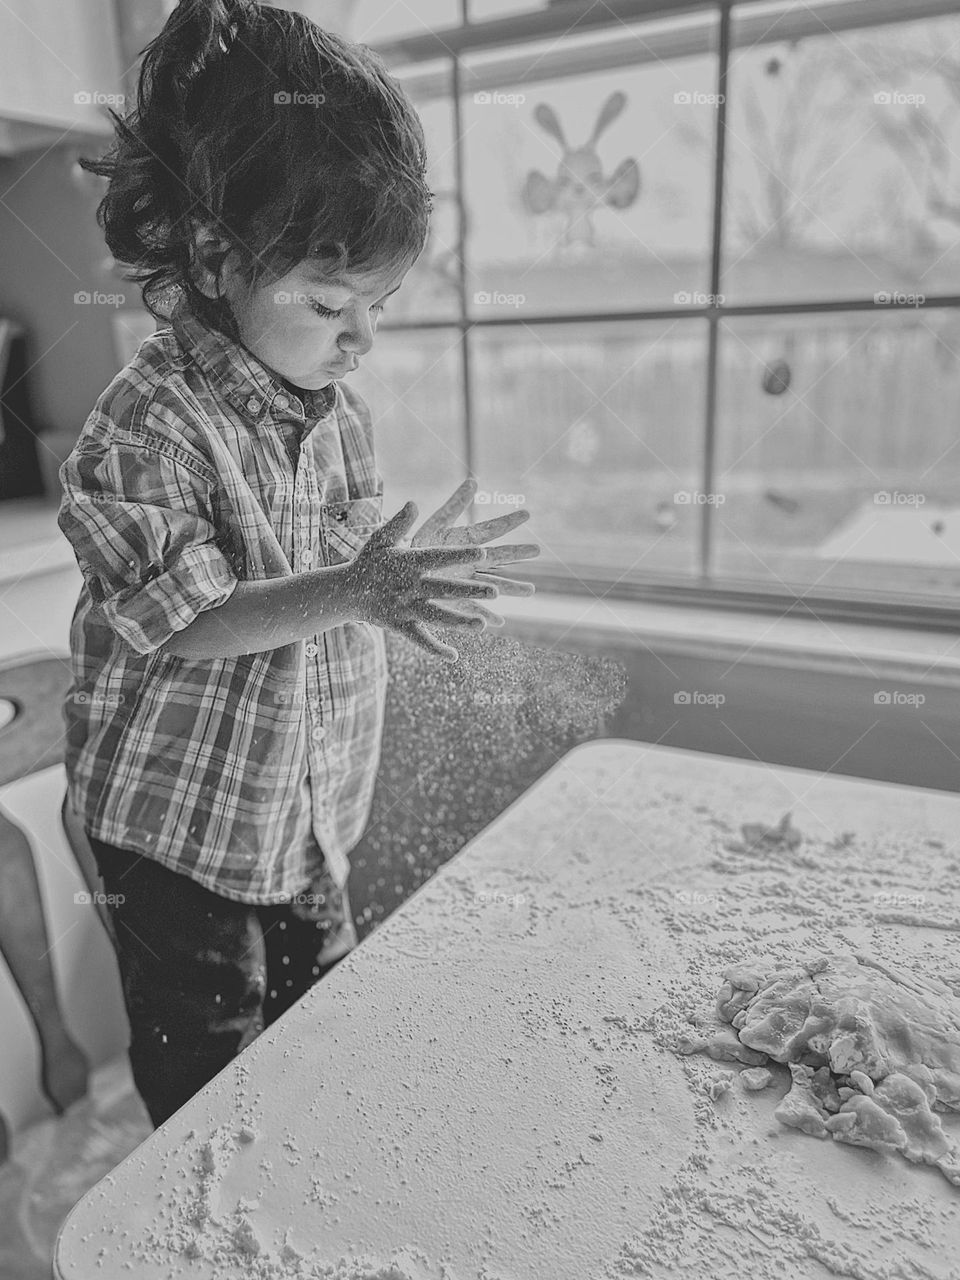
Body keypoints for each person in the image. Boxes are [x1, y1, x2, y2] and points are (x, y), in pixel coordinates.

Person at [56, 0, 538, 1128]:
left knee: (325, 1044)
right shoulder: (145, 423)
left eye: (380, 304)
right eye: (331, 303)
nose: (363, 337)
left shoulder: (338, 415)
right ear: (219, 258)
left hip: (302, 813)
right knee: (211, 1079)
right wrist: (356, 588)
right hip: (177, 845)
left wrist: (393, 575)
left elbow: (335, 582)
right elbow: (190, 618)